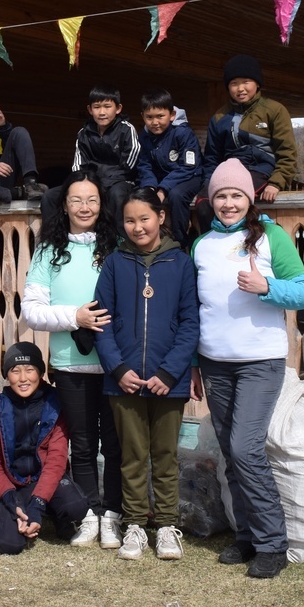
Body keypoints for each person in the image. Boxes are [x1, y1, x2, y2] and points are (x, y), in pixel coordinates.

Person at [190, 159, 304, 579]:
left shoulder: (271, 237)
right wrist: (193, 364)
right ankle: (245, 536)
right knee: (229, 450)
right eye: (221, 195)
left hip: (260, 360)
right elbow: (196, 310)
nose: (228, 203)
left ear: (249, 198)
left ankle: (272, 543)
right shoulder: (202, 244)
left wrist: (268, 288)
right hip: (214, 362)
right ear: (211, 200)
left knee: (246, 448)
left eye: (236, 195)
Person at [93, 188, 200, 561]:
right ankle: (136, 523)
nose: (137, 227)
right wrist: (118, 369)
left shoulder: (181, 262)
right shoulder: (114, 263)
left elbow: (190, 323)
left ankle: (167, 524)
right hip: (124, 381)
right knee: (132, 456)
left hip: (167, 382)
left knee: (166, 454)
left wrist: (171, 373)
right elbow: (101, 323)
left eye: (144, 218)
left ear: (160, 217)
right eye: (129, 220)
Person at [21, 167, 122, 549]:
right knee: (81, 444)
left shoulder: (114, 245)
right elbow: (31, 310)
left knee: (113, 445)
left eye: (92, 199)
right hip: (70, 363)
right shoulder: (49, 250)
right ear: (63, 205)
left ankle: (112, 514)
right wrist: (74, 317)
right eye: (76, 199)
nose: (84, 206)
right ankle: (89, 514)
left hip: (115, 364)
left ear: (102, 203)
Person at [0, 342, 92, 555]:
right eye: (15, 371)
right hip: (14, 483)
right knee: (8, 545)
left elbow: (57, 460)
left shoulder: (55, 403)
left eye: (30, 370)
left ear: (41, 373)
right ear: (7, 376)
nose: (23, 378)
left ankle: (49, 513)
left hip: (45, 478)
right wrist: (11, 500)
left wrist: (38, 504)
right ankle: (12, 512)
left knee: (76, 507)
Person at [201, 54, 297, 202]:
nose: (240, 88)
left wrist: (276, 182)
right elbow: (212, 157)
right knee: (204, 201)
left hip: (262, 170)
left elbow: (287, 152)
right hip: (228, 172)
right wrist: (208, 181)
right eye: (234, 83)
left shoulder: (274, 110)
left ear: (257, 84)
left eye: (246, 82)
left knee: (234, 196)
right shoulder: (219, 117)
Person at [64, 85, 154, 229]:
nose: (101, 112)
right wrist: (87, 184)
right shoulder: (84, 133)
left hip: (121, 182)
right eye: (97, 107)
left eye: (107, 106)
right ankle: (57, 240)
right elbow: (78, 167)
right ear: (89, 109)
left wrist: (103, 183)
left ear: (118, 108)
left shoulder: (126, 129)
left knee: (116, 194)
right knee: (53, 196)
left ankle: (121, 243)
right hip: (92, 182)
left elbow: (129, 165)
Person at [138, 89, 204, 247]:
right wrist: (150, 186)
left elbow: (188, 166)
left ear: (172, 115)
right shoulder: (144, 136)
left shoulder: (182, 133)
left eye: (160, 116)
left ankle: (180, 240)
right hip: (162, 179)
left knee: (176, 195)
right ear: (143, 117)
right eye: (149, 117)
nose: (155, 122)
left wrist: (163, 189)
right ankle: (150, 238)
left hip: (190, 176)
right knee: (142, 195)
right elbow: (144, 164)